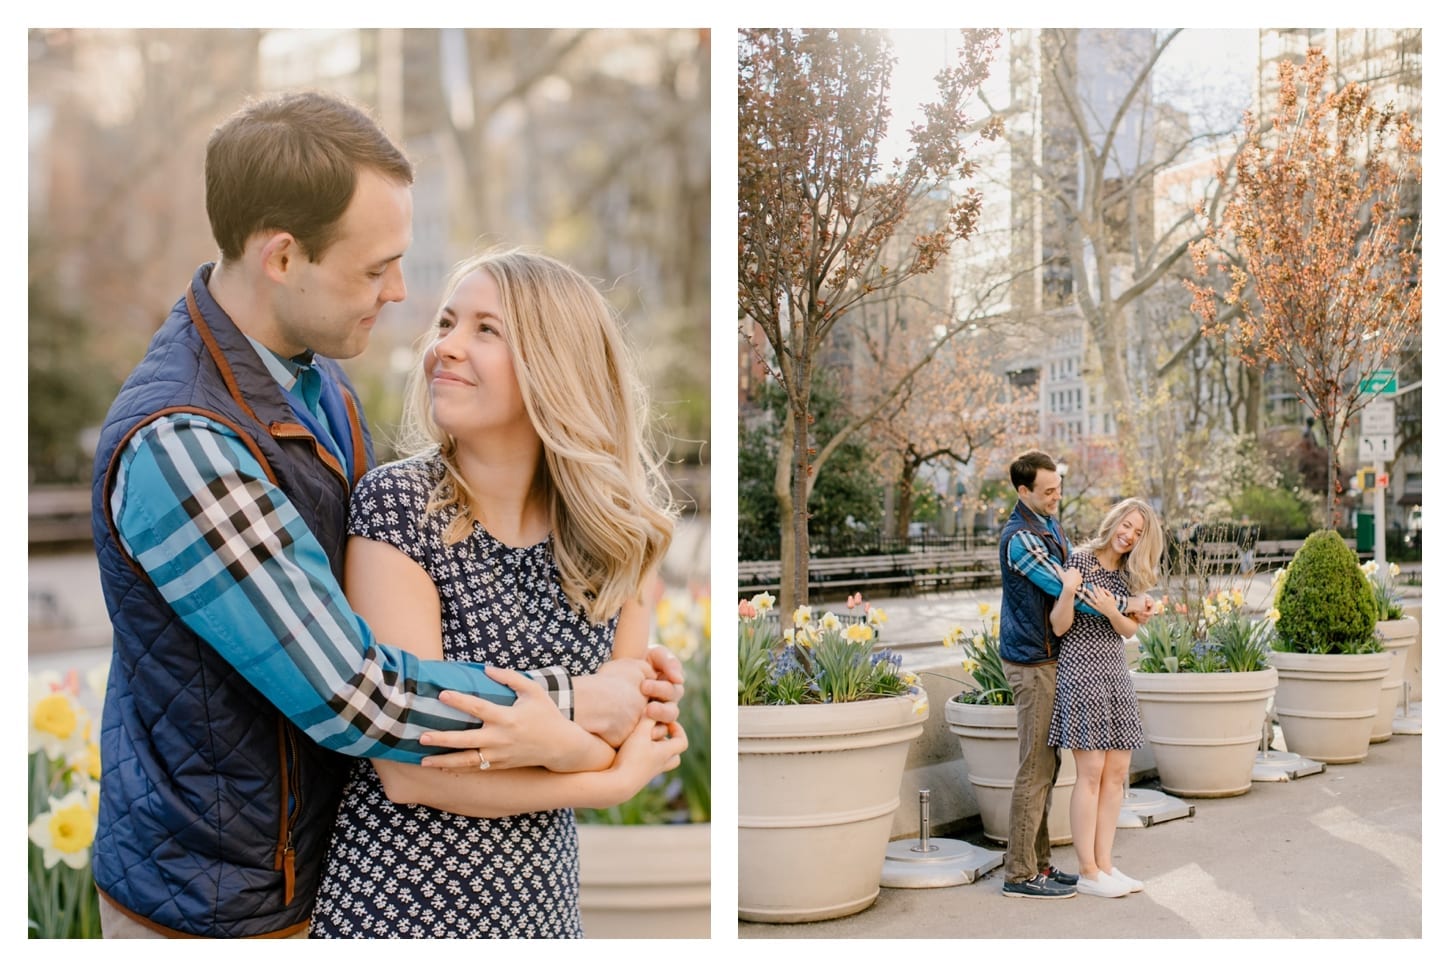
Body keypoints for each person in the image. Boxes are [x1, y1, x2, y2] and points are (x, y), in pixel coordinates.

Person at [89, 91, 681, 939]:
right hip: (218, 905)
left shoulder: (314, 379)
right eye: (376, 269)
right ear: (283, 257)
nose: (401, 294)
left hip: (328, 868)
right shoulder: (184, 442)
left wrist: (604, 721)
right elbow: (357, 696)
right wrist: (587, 712)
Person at [309, 249, 687, 938]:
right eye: (448, 322)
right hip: (398, 909)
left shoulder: (620, 538)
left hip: (542, 913)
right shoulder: (398, 507)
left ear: (554, 366)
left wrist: (567, 742)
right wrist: (597, 772)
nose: (444, 347)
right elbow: (411, 770)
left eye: (486, 330)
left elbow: (638, 729)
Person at [995, 450, 1152, 900]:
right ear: (1023, 491)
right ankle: (1021, 874)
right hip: (1034, 661)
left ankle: (1042, 865)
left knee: (1048, 765)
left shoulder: (1048, 525)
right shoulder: (1021, 539)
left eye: (1057, 487)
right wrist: (1127, 606)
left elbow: (1091, 602)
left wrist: (1127, 608)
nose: (1056, 496)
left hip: (1052, 658)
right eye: (1047, 491)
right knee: (1036, 768)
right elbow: (1072, 593)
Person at [1047, 498, 1164, 898]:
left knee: (1117, 774)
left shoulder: (1128, 577)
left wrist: (1113, 610)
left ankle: (1106, 865)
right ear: (1115, 520)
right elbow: (1060, 627)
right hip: (1081, 670)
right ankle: (1087, 871)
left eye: (1138, 533)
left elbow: (1128, 631)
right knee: (1092, 772)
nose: (1129, 535)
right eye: (1127, 525)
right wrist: (1068, 592)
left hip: (1115, 672)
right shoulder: (1079, 560)